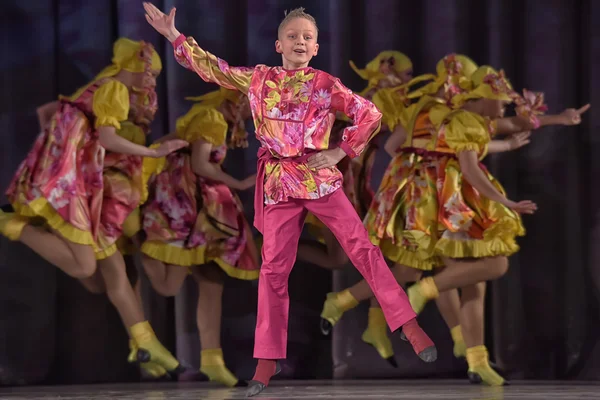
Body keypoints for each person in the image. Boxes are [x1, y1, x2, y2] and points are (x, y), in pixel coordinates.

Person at [142, 3, 437, 396]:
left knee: (362, 248)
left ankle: (408, 324)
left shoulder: (325, 84)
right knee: (273, 271)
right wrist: (173, 36)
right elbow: (214, 68)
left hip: (318, 179)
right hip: (280, 183)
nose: (300, 41)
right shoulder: (259, 79)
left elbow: (369, 115)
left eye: (307, 37)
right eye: (293, 36)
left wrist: (339, 152)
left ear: (316, 48)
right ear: (278, 44)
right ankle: (266, 361)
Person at [0, 38, 188, 376]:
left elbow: (51, 114)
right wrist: (151, 153)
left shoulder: (101, 91)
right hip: (79, 187)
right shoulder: (113, 90)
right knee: (95, 269)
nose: (151, 80)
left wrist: (62, 148)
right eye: (148, 71)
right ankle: (11, 225)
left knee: (113, 275)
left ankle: (144, 342)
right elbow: (107, 139)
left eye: (155, 75)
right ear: (131, 65)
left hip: (85, 185)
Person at [140, 88, 258, 387]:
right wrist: (240, 184)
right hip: (186, 205)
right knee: (169, 286)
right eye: (251, 106)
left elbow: (173, 142)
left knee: (212, 282)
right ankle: (141, 245)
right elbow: (201, 164)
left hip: (200, 205)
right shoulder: (211, 118)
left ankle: (212, 360)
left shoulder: (212, 119)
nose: (252, 114)